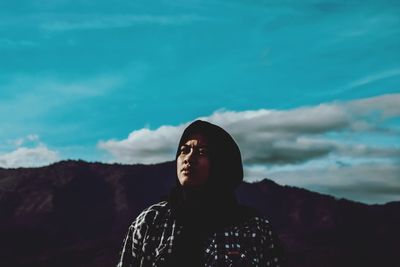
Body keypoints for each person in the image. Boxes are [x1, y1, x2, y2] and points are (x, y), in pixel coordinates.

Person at [117, 120, 285, 267]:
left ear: (221, 162)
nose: (189, 158)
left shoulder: (254, 229)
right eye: (184, 150)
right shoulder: (151, 222)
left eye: (202, 152)